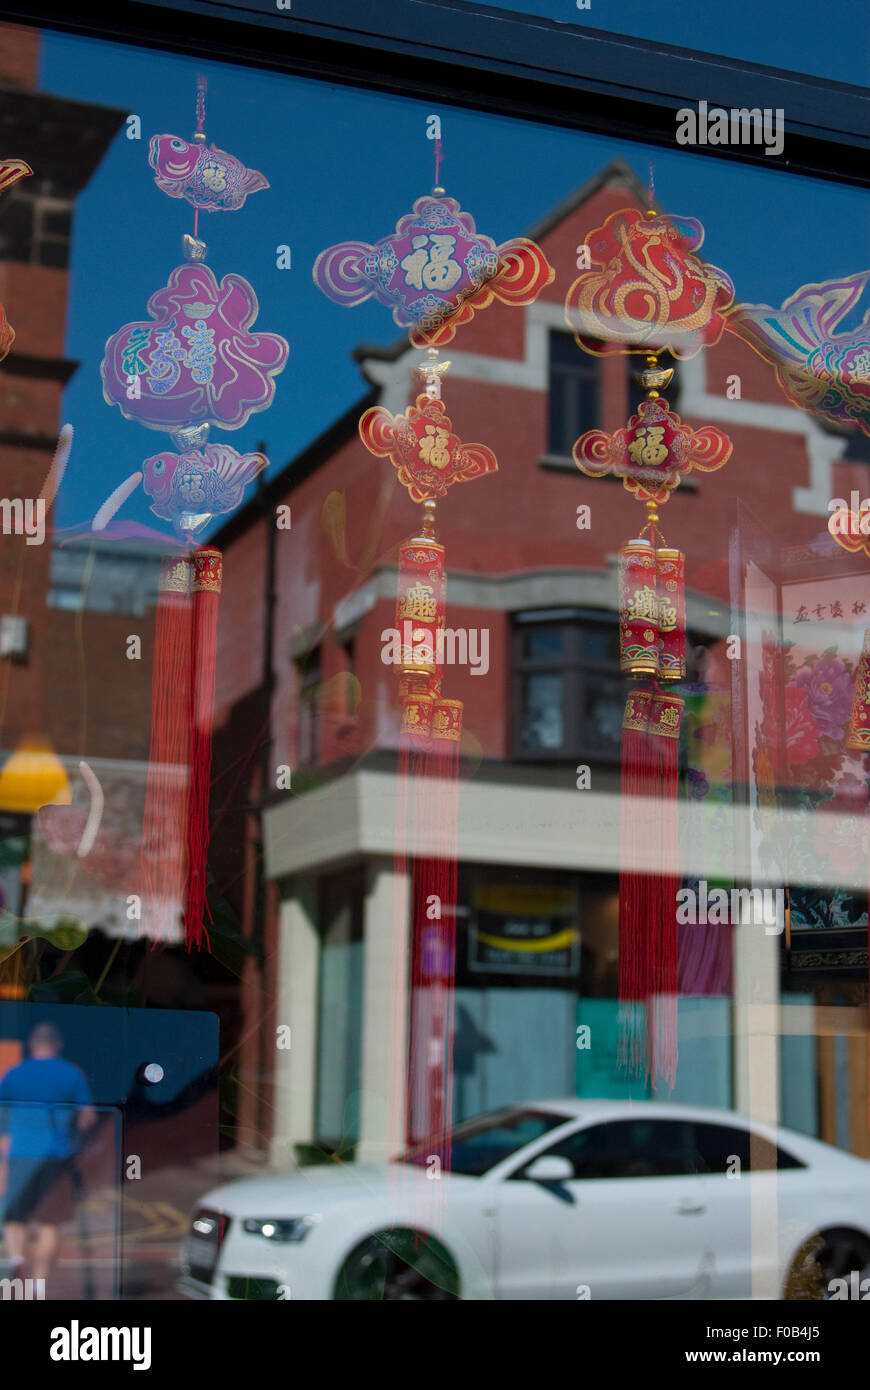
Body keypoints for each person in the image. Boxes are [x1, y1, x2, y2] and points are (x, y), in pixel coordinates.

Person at [0, 1022, 95, 1293]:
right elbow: (88, 1116)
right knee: (50, 1222)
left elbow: (2, 1118)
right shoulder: (71, 1074)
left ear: (32, 1044)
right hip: (56, 1155)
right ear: (58, 1046)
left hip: (20, 1154)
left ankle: (18, 1261)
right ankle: (39, 1287)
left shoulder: (14, 1074)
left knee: (14, 1217)